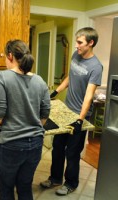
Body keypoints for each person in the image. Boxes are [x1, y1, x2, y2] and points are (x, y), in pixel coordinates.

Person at [0, 39, 51, 200]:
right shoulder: (39, 80)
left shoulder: (2, 77)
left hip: (12, 144)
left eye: (5, 56)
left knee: (7, 187)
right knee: (25, 186)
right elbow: (45, 112)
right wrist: (35, 126)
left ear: (10, 56)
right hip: (36, 144)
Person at [40, 27, 103, 196]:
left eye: (80, 42)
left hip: (79, 115)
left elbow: (89, 96)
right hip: (66, 110)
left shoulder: (96, 67)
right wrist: (56, 91)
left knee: (72, 152)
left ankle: (71, 183)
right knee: (57, 147)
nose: (77, 46)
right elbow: (70, 76)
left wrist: (80, 120)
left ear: (91, 43)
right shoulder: (76, 56)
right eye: (77, 42)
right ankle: (55, 178)